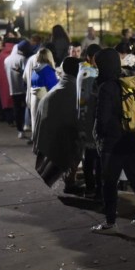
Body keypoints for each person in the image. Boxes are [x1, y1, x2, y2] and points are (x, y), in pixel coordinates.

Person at [91, 48, 135, 234]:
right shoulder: (129, 82)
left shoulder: (106, 87)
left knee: (109, 183)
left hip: (112, 143)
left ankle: (110, 222)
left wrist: (99, 136)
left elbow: (102, 118)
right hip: (131, 137)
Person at [33, 57, 83, 190]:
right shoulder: (73, 90)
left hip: (50, 136)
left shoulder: (61, 86)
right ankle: (70, 182)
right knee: (75, 149)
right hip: (61, 137)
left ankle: (68, 180)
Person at [77, 44, 102, 199]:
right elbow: (87, 101)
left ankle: (92, 187)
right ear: (90, 57)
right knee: (92, 156)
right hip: (89, 120)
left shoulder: (84, 71)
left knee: (90, 155)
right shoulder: (89, 74)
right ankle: (93, 188)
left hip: (86, 119)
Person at [29, 48, 59, 144]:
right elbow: (53, 89)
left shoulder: (35, 70)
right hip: (45, 103)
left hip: (35, 102)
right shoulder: (47, 71)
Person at [4, 40, 27, 138]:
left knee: (16, 109)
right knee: (25, 109)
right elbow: (25, 74)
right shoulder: (22, 58)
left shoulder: (7, 60)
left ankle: (19, 130)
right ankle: (26, 125)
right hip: (22, 88)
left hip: (12, 88)